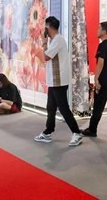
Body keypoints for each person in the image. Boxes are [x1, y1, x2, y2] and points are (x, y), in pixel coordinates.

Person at [34, 16, 83, 147]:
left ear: (48, 28)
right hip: (54, 81)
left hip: (59, 81)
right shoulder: (55, 40)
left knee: (63, 108)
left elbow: (46, 56)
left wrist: (44, 42)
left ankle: (76, 132)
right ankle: (48, 131)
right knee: (51, 107)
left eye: (45, 27)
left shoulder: (58, 40)